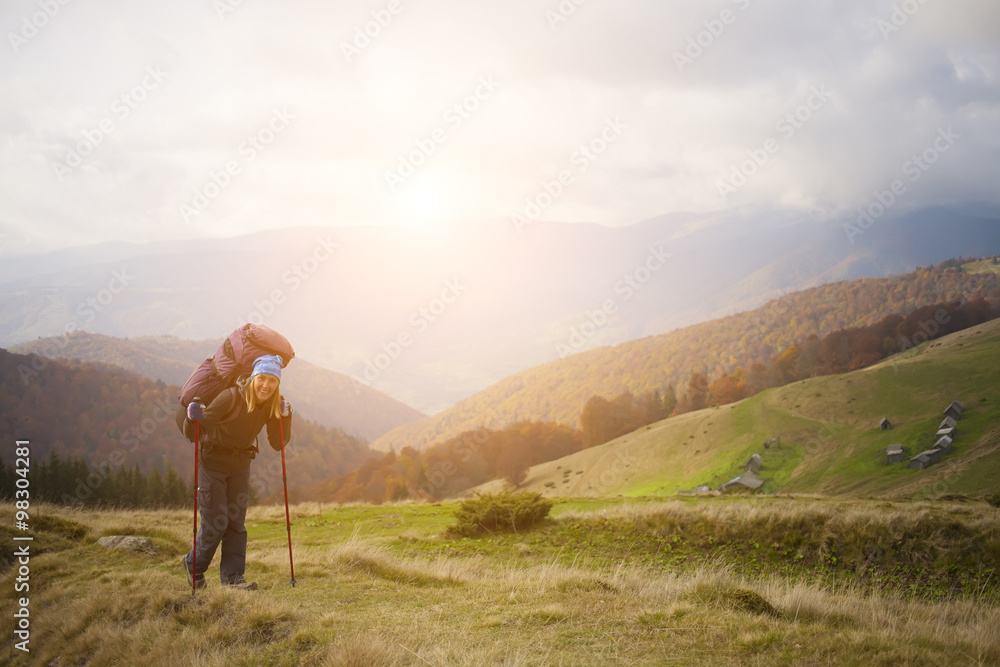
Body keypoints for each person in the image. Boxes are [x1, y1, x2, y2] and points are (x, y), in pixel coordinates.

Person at [176, 354, 292, 590]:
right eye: (262, 378)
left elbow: (278, 443)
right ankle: (193, 565)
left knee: (236, 524)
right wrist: (192, 418)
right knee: (215, 524)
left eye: (272, 380)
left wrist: (286, 417)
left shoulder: (272, 404)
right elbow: (194, 433)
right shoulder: (229, 398)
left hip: (241, 465)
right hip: (212, 464)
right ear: (253, 377)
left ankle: (232, 580)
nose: (266, 385)